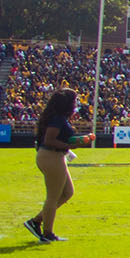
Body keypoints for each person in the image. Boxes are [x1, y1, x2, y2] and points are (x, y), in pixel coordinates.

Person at [27, 89, 93, 241]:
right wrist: (70, 146)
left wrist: (78, 141)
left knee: (67, 192)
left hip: (55, 155)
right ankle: (47, 233)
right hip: (52, 156)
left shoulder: (59, 117)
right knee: (52, 197)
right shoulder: (57, 118)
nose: (76, 104)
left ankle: (36, 221)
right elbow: (49, 140)